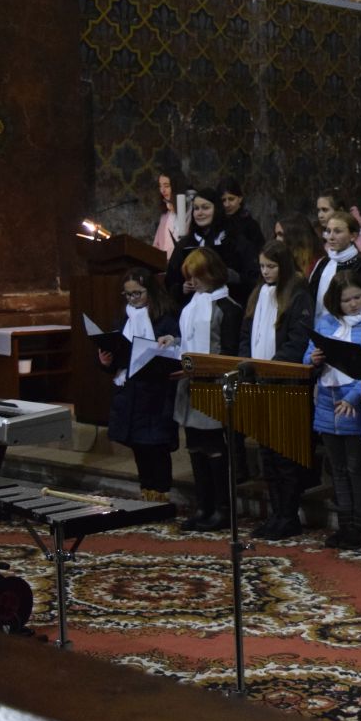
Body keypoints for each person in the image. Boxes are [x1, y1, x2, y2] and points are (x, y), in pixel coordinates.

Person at [240, 240, 314, 539]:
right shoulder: (258, 293)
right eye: (262, 266)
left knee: (284, 455)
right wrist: (246, 365)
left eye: (271, 266)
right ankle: (275, 513)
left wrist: (271, 369)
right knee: (267, 456)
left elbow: (298, 341)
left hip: (284, 384)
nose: (265, 271)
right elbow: (246, 333)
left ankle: (288, 515)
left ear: (283, 265)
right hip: (259, 382)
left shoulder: (298, 294)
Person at [307, 270, 361, 550]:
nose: (353, 304)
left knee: (356, 467)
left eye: (357, 297)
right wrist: (312, 358)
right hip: (327, 400)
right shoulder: (326, 322)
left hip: (355, 401)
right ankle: (345, 525)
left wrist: (352, 397)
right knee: (337, 469)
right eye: (346, 300)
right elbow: (307, 355)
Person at [172, 248, 243, 532]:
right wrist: (172, 343)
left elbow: (229, 353)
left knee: (214, 449)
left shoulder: (228, 308)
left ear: (211, 274)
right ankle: (203, 505)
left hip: (214, 386)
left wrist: (202, 369)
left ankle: (221, 509)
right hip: (191, 385)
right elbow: (187, 340)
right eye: (189, 277)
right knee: (195, 447)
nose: (192, 282)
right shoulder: (192, 306)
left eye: (197, 276)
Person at [97, 268, 180, 505]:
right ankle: (147, 493)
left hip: (156, 393)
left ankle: (161, 495)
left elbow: (177, 348)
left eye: (138, 293)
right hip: (129, 392)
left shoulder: (164, 317)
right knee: (139, 447)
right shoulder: (123, 319)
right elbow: (116, 350)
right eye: (128, 294)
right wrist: (105, 361)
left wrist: (167, 345)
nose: (133, 299)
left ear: (150, 291)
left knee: (156, 446)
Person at [165, 187, 259, 308]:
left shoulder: (235, 241)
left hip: (229, 309)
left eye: (205, 207)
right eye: (196, 208)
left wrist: (236, 278)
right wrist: (182, 289)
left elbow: (254, 278)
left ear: (217, 209)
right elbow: (171, 281)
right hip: (193, 309)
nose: (199, 213)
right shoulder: (185, 244)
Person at [308, 210, 361, 313]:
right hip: (322, 322)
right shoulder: (323, 263)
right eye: (328, 231)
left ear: (353, 236)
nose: (331, 237)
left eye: (337, 231)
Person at [316, 192, 361, 257]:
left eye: (325, 210)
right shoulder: (319, 233)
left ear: (340, 210)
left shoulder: (356, 239)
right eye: (318, 210)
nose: (320, 215)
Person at [220, 178, 265, 253]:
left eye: (231, 199)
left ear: (240, 199)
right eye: (223, 200)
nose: (227, 204)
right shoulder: (217, 223)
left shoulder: (251, 225)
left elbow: (260, 251)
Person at [273, 213, 320, 278]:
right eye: (276, 235)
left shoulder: (317, 266)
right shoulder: (280, 260)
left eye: (280, 234)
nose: (277, 239)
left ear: (295, 237)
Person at [151, 168, 185, 255]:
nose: (162, 190)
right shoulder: (165, 215)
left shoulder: (186, 210)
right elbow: (156, 244)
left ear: (176, 187)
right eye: (160, 186)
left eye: (166, 186)